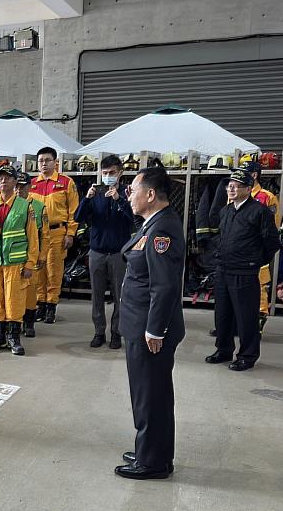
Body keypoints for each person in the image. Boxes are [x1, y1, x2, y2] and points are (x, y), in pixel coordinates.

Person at [115, 166, 185, 480]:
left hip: (149, 331)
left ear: (151, 194)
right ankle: (152, 451)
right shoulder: (152, 224)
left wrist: (155, 329)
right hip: (139, 325)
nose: (130, 194)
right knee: (150, 393)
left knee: (149, 395)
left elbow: (165, 285)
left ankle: (152, 462)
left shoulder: (161, 230)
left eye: (133, 189)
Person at [205, 169, 280, 371]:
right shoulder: (226, 211)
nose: (231, 188)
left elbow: (271, 243)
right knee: (223, 315)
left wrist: (254, 262)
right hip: (223, 270)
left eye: (237, 185)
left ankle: (247, 355)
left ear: (248, 188)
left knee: (246, 317)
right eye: (229, 184)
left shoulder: (260, 211)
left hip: (244, 272)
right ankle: (223, 350)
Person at [74, 154, 135, 349]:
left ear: (120, 173)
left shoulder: (127, 193)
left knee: (119, 296)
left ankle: (116, 333)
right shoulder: (95, 193)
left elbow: (133, 219)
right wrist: (86, 198)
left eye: (112, 173)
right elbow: (78, 217)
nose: (108, 176)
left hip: (118, 253)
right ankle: (99, 332)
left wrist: (119, 200)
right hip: (97, 253)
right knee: (97, 295)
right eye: (105, 173)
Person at [0, 166, 39, 356]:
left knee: (14, 300)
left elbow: (33, 237)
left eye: (7, 178)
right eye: (0, 178)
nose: (3, 181)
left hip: (15, 263)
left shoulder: (25, 206)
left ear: (15, 182)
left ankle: (13, 338)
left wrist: (30, 263)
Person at [30, 147, 79, 324]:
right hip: (36, 235)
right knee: (38, 270)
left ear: (55, 162)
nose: (44, 163)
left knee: (54, 271)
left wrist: (70, 233)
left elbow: (74, 211)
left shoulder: (66, 183)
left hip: (57, 232)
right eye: (41, 160)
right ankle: (40, 304)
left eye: (48, 160)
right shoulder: (32, 184)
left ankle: (51, 305)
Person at [243, 160, 281, 332]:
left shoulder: (267, 197)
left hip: (256, 250)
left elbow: (273, 227)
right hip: (237, 250)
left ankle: (259, 318)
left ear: (254, 175)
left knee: (259, 285)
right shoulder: (235, 194)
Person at [17, 174, 49, 338]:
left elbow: (44, 235)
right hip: (13, 258)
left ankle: (29, 323)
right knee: (14, 292)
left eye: (23, 186)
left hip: (32, 256)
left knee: (30, 292)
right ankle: (14, 323)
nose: (19, 189)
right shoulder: (9, 206)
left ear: (30, 187)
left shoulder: (38, 207)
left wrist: (42, 256)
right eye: (17, 185)